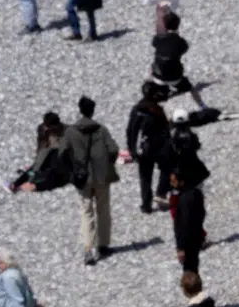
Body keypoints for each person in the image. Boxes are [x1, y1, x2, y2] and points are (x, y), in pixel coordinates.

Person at [63, 96, 121, 265]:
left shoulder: (71, 132)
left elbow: (63, 153)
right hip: (101, 176)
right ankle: (103, 244)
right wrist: (106, 164)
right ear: (93, 111)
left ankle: (88, 249)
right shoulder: (101, 130)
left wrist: (72, 170)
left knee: (86, 211)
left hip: (82, 178)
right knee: (103, 210)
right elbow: (114, 149)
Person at [127, 82, 171, 213]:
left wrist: (131, 149)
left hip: (141, 151)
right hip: (157, 148)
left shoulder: (136, 109)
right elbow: (165, 131)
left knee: (145, 177)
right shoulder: (156, 110)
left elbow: (131, 130)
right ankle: (161, 193)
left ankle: (146, 205)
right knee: (167, 168)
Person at [150, 12, 207, 107]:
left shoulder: (157, 38)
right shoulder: (181, 42)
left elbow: (155, 44)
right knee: (191, 88)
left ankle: (159, 97)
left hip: (157, 75)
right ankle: (202, 106)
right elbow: (182, 50)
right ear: (178, 25)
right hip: (174, 77)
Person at [7, 113, 69, 193]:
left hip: (59, 157)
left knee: (51, 174)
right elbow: (41, 146)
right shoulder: (43, 129)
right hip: (49, 154)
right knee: (35, 169)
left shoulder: (66, 130)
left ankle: (29, 184)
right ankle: (17, 184)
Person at [172, 170, 207, 273]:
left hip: (188, 242)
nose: (172, 183)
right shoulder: (196, 193)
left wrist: (181, 247)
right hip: (196, 238)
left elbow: (184, 224)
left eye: (174, 181)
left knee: (189, 270)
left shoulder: (184, 199)